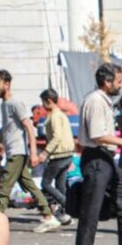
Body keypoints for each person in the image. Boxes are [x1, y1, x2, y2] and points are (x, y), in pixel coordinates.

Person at [73, 63, 122, 245]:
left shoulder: (104, 101)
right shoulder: (95, 101)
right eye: (118, 82)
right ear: (107, 82)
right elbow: (96, 135)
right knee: (91, 210)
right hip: (96, 158)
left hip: (105, 157)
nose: (120, 86)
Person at [0, 70, 58, 232]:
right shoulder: (4, 105)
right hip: (13, 152)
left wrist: (33, 152)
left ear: (6, 85)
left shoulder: (15, 103)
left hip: (18, 152)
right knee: (30, 186)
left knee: (4, 186)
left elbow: (29, 127)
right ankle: (49, 216)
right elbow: (5, 130)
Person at [39, 88, 74, 225]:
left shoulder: (54, 116)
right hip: (67, 154)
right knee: (60, 185)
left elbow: (57, 136)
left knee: (45, 183)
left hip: (58, 155)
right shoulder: (61, 114)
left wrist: (45, 152)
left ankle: (67, 205)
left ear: (48, 101)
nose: (42, 105)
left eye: (43, 102)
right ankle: (65, 214)